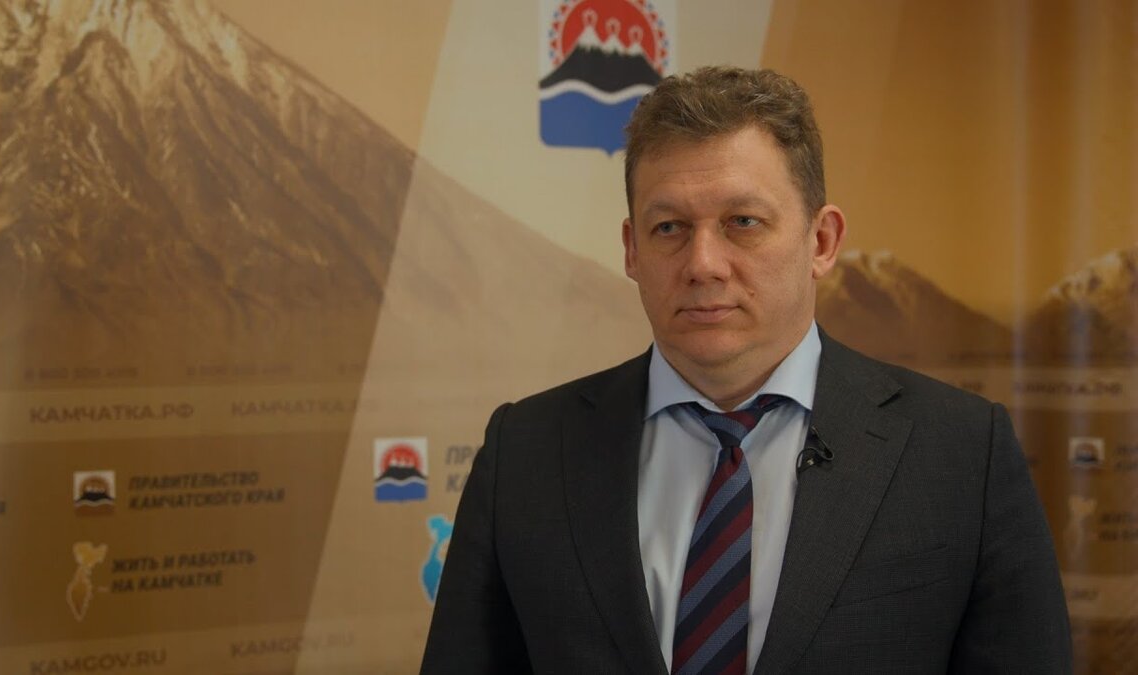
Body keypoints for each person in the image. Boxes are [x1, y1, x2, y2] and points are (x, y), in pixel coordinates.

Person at [421, 66, 1070, 674]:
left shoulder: (962, 452)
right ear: (631, 250)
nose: (703, 262)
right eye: (669, 226)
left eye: (743, 222)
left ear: (822, 242)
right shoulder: (526, 452)